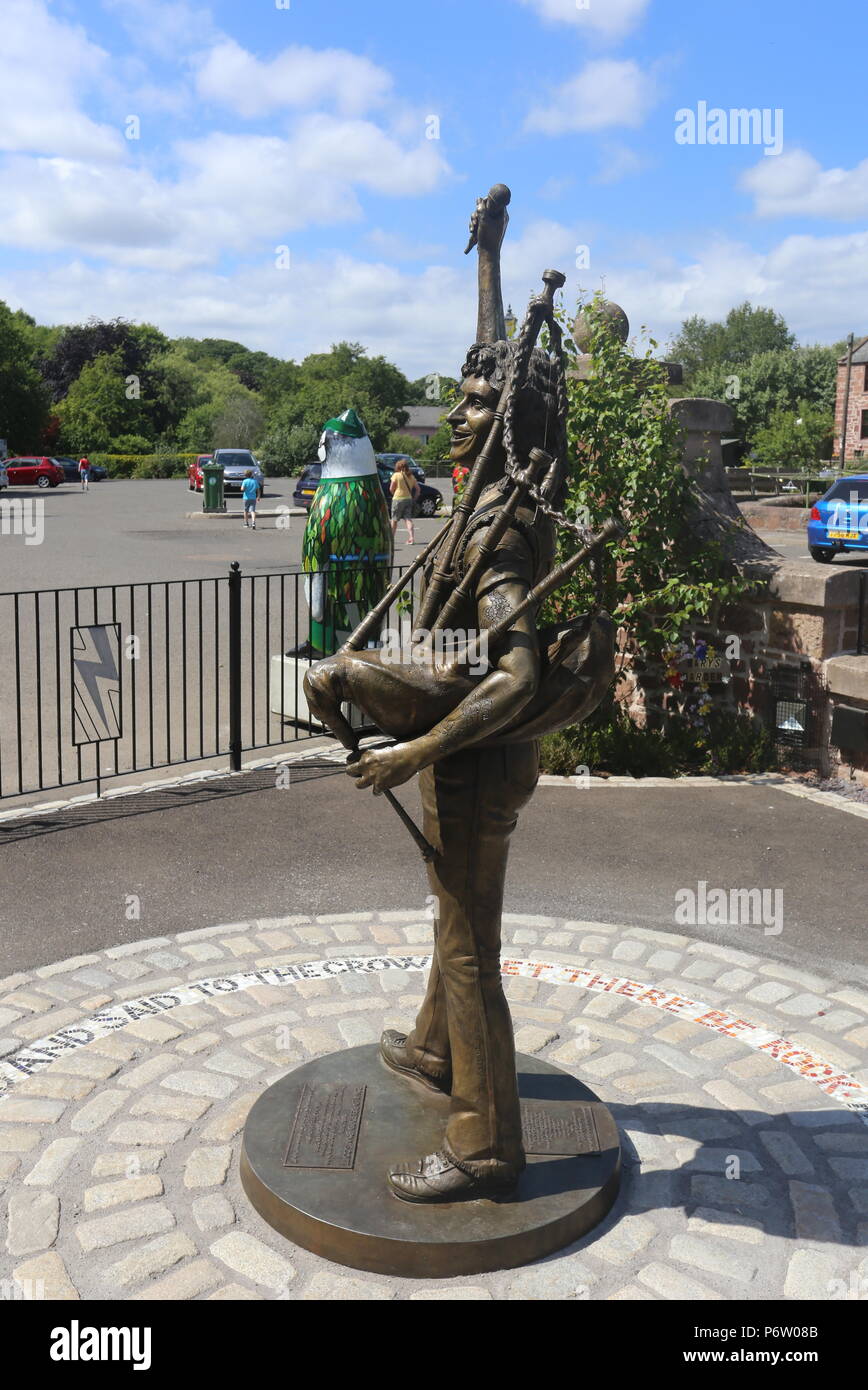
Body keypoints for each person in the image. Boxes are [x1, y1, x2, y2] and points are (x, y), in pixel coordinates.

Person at [389, 458, 419, 545]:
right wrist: (414, 498)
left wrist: (394, 493)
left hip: (397, 499)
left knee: (394, 520)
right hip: (408, 499)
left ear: (398, 467)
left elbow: (391, 488)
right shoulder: (411, 476)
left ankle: (391, 539)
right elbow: (418, 489)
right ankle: (411, 538)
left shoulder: (396, 475)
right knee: (408, 519)